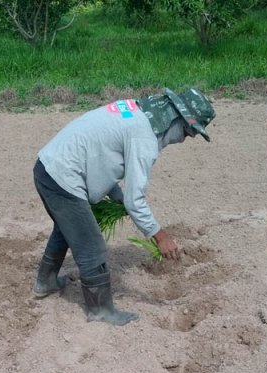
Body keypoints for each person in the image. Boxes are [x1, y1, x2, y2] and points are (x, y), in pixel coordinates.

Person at [32, 87, 216, 326]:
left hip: (49, 166)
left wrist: (116, 194)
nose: (184, 139)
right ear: (177, 119)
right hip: (62, 177)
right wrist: (160, 237)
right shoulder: (145, 138)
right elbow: (135, 201)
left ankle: (45, 282)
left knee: (68, 228)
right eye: (187, 132)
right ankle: (100, 311)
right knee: (92, 245)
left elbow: (103, 154)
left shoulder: (134, 111)